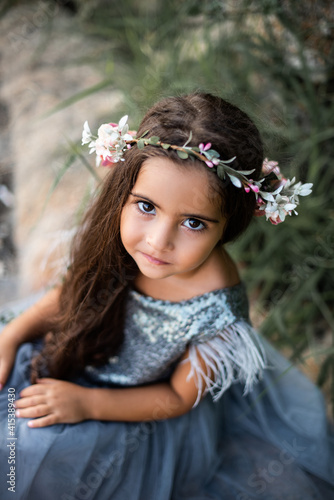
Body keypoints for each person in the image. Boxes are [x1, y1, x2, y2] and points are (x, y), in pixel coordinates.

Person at [0, 92, 333, 500]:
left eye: (193, 222)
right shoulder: (117, 238)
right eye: (146, 207)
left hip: (137, 410)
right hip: (82, 349)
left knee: (31, 448)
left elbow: (176, 396)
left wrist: (87, 404)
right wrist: (11, 336)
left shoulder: (218, 307)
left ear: (229, 224)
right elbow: (72, 296)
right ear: (125, 192)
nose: (159, 242)